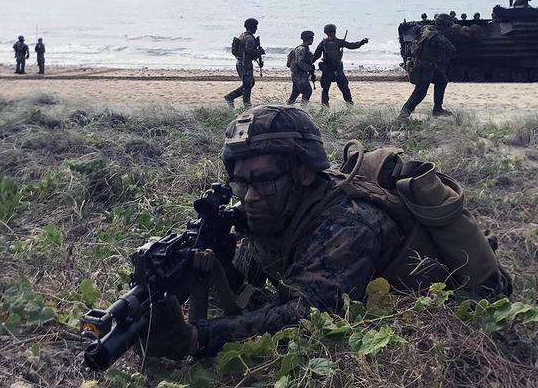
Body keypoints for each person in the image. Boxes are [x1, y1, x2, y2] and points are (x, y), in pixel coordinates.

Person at [137, 106, 510, 360]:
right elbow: (251, 280)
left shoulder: (348, 223)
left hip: (447, 306)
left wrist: (198, 338)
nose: (249, 197)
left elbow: (308, 320)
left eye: (264, 181)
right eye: (240, 183)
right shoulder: (277, 208)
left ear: (303, 173)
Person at [399, 13, 456, 119]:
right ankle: (403, 114)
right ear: (444, 25)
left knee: (442, 80)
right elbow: (451, 49)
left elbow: (416, 28)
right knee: (420, 92)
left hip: (425, 65)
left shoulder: (426, 28)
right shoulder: (438, 38)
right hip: (425, 67)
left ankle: (438, 109)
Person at [312, 23, 368, 106]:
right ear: (327, 33)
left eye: (332, 32)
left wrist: (361, 42)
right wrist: (309, 63)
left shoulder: (339, 42)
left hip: (337, 69)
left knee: (344, 87)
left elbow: (351, 45)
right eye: (330, 32)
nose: (332, 34)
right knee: (325, 89)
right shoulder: (323, 43)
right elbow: (316, 55)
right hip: (327, 69)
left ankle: (349, 104)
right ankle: (325, 106)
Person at [224, 18, 265, 109]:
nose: (256, 28)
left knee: (250, 83)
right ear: (252, 27)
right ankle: (243, 104)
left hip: (241, 62)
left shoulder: (243, 35)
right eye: (255, 26)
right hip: (245, 64)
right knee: (247, 85)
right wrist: (260, 52)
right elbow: (249, 51)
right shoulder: (249, 38)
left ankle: (235, 99)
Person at [287, 30, 314, 105]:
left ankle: (288, 107)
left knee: (295, 92)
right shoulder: (301, 49)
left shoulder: (305, 49)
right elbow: (300, 62)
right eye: (311, 38)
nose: (312, 39)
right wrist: (309, 69)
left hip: (299, 74)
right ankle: (303, 108)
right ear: (308, 38)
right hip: (299, 74)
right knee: (307, 91)